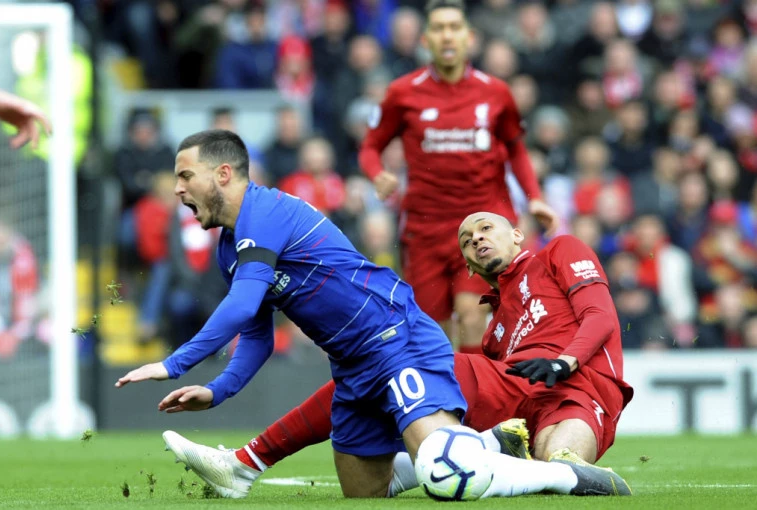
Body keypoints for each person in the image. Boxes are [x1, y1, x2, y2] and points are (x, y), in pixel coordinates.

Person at [116, 130, 630, 500]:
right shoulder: (232, 249)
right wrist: (219, 389)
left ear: (223, 174)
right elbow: (256, 335)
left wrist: (175, 363)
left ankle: (557, 474)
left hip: (394, 335)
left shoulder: (266, 212)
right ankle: (484, 445)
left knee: (447, 473)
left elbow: (243, 304)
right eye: (466, 239)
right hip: (353, 361)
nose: (177, 188)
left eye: (185, 176)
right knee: (364, 493)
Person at [358, 0, 559, 354]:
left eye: (454, 27)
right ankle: (451, 386)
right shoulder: (403, 93)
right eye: (439, 28)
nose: (447, 35)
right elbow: (370, 147)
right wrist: (377, 174)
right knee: (432, 330)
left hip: (482, 221)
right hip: (426, 230)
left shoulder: (495, 92)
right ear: (426, 40)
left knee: (471, 312)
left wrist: (535, 197)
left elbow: (516, 149)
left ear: (470, 37)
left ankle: (475, 387)